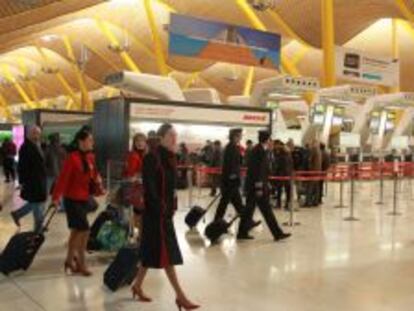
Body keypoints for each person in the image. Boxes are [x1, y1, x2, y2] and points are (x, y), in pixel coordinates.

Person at [131, 123, 200, 310]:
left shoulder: (170, 158)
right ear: (161, 138)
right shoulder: (152, 157)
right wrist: (161, 208)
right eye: (171, 135)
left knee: (149, 250)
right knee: (167, 254)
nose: (174, 138)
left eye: (175, 135)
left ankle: (137, 285)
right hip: (156, 215)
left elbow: (171, 188)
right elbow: (150, 188)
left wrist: (172, 206)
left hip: (165, 213)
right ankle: (181, 296)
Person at [52, 126, 103, 277]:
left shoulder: (91, 157)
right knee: (85, 230)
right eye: (89, 140)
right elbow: (62, 180)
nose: (92, 142)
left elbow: (93, 175)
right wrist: (55, 198)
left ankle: (69, 260)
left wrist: (98, 182)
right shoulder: (72, 158)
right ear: (81, 142)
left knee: (76, 231)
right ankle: (81, 263)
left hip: (84, 198)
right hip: (72, 199)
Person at [238, 131, 291, 241]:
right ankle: (277, 233)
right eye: (270, 139)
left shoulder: (259, 150)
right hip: (257, 187)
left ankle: (242, 232)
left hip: (256, 186)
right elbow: (257, 172)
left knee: (250, 211)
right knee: (264, 211)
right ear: (267, 140)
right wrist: (259, 187)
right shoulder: (260, 151)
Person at [11, 126, 47, 232]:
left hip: (39, 180)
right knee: (37, 204)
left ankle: (18, 214)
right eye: (35, 133)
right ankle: (38, 229)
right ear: (29, 134)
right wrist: (22, 182)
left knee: (37, 203)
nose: (37, 135)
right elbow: (22, 166)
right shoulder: (25, 147)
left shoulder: (37, 145)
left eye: (38, 133)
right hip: (32, 181)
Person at [124, 133, 147, 230]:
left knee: (140, 215)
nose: (140, 143)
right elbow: (130, 176)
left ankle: (139, 237)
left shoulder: (144, 155)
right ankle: (138, 238)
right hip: (136, 190)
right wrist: (139, 177)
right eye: (137, 141)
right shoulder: (133, 155)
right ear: (134, 143)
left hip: (143, 189)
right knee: (139, 215)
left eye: (142, 141)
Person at [45, 133, 66, 206]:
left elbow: (44, 161)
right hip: (56, 173)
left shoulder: (48, 149)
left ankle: (43, 204)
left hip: (51, 173)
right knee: (60, 190)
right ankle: (62, 206)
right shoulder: (61, 150)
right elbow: (65, 161)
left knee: (47, 190)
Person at [272, 141, 293, 209]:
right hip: (288, 175)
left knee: (279, 190)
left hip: (281, 175)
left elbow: (278, 166)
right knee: (287, 190)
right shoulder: (289, 155)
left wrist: (274, 173)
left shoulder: (280, 156)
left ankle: (279, 204)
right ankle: (287, 204)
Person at [304, 139, 322, 207]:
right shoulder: (319, 150)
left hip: (313, 171)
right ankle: (316, 201)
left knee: (310, 187)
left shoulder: (313, 150)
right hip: (318, 171)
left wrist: (309, 168)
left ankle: (308, 202)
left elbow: (310, 160)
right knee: (316, 187)